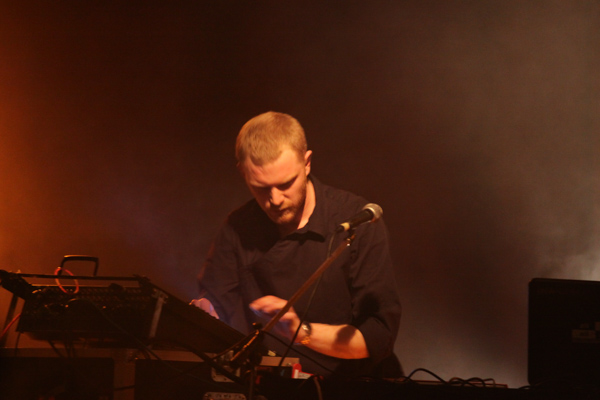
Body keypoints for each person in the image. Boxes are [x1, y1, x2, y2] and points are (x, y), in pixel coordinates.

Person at [196, 111, 401, 378]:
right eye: (261, 187)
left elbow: (379, 335)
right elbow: (213, 306)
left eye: (286, 184)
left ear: (307, 163)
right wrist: (204, 313)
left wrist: (301, 332)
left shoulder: (357, 222)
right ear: (242, 172)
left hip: (354, 385)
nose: (275, 199)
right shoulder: (238, 226)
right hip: (273, 385)